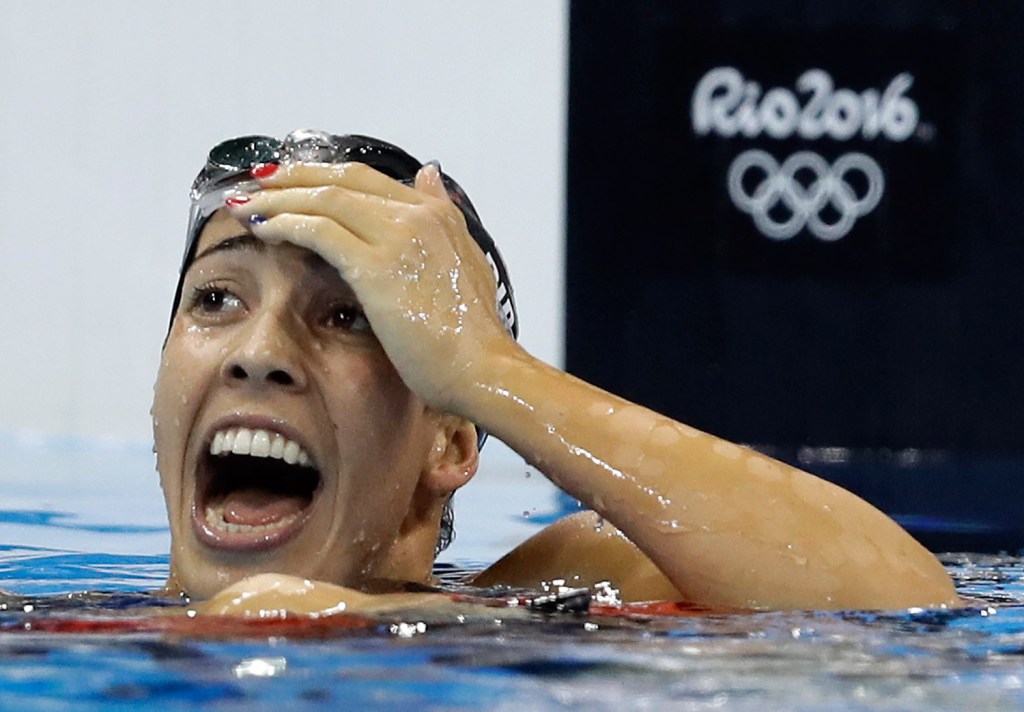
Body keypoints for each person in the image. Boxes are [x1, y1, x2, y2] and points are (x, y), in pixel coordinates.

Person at [152, 130, 960, 617]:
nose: (257, 352)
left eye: (347, 316)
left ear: (453, 443)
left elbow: (903, 612)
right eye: (217, 297)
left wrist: (488, 369)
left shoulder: (564, 600)